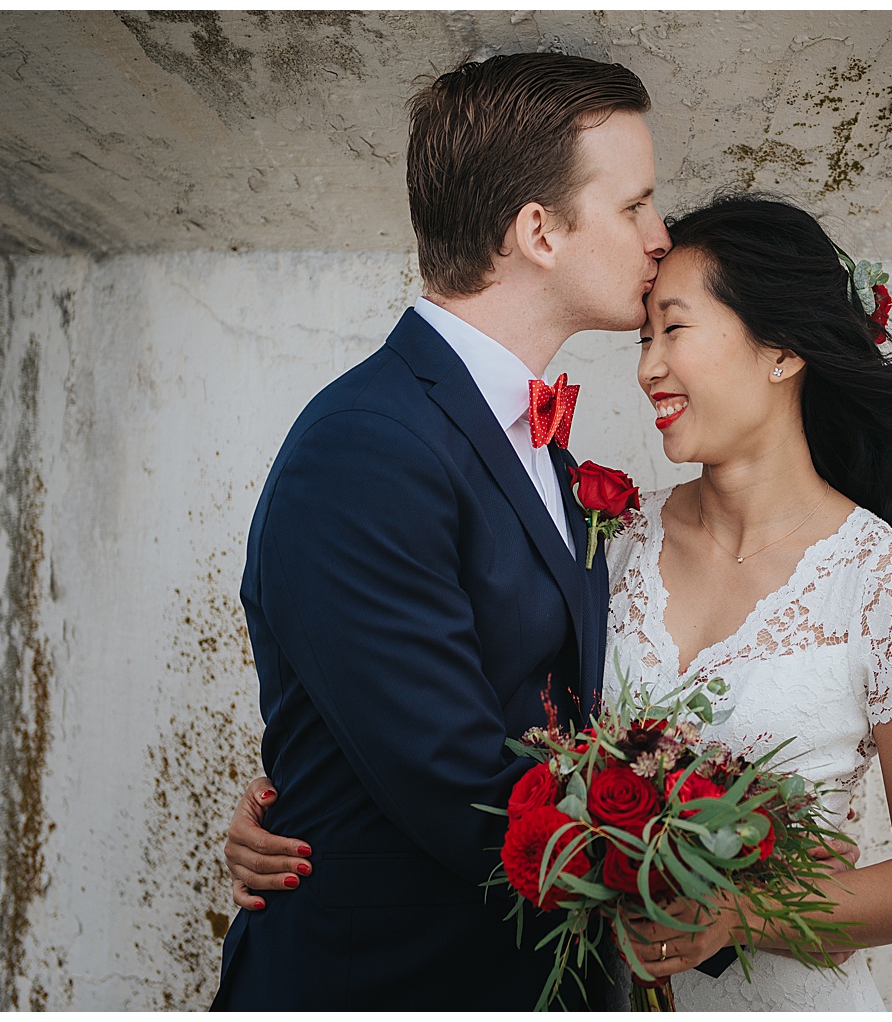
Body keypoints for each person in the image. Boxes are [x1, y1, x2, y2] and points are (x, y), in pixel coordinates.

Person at [208, 51, 668, 1011]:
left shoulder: (538, 447)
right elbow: (461, 791)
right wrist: (716, 868)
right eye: (635, 206)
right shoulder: (368, 447)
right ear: (539, 231)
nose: (659, 237)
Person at [604, 194, 892, 1009]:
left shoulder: (885, 587)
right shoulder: (617, 541)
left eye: (673, 330)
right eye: (642, 339)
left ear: (780, 349)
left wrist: (738, 913)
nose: (647, 367)